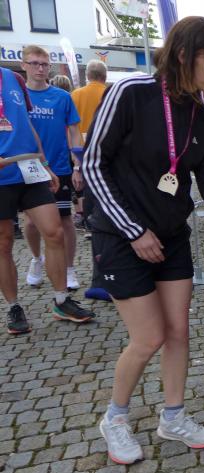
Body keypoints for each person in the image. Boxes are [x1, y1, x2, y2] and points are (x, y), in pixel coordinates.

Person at [82, 16, 204, 465]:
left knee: (178, 332)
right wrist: (134, 231)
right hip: (121, 237)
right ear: (183, 54)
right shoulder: (130, 92)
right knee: (149, 337)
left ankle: (173, 417)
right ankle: (115, 417)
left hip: (172, 238)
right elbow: (93, 165)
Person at [1, 64, 94, 335]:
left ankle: (62, 300)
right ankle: (14, 307)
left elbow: (27, 125)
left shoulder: (13, 78)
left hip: (29, 168)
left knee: (54, 232)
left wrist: (45, 165)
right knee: (4, 242)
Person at [22, 45, 85, 291]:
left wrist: (78, 164)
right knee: (30, 222)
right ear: (24, 65)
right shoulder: (18, 97)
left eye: (44, 64)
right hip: (28, 167)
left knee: (65, 219)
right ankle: (36, 259)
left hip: (59, 167)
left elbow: (75, 131)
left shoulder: (62, 97)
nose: (40, 68)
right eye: (34, 63)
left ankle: (68, 269)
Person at [71, 59, 108, 229]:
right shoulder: (109, 93)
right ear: (104, 76)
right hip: (104, 146)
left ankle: (87, 221)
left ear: (87, 75)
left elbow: (70, 125)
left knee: (83, 186)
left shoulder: (75, 95)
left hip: (80, 147)